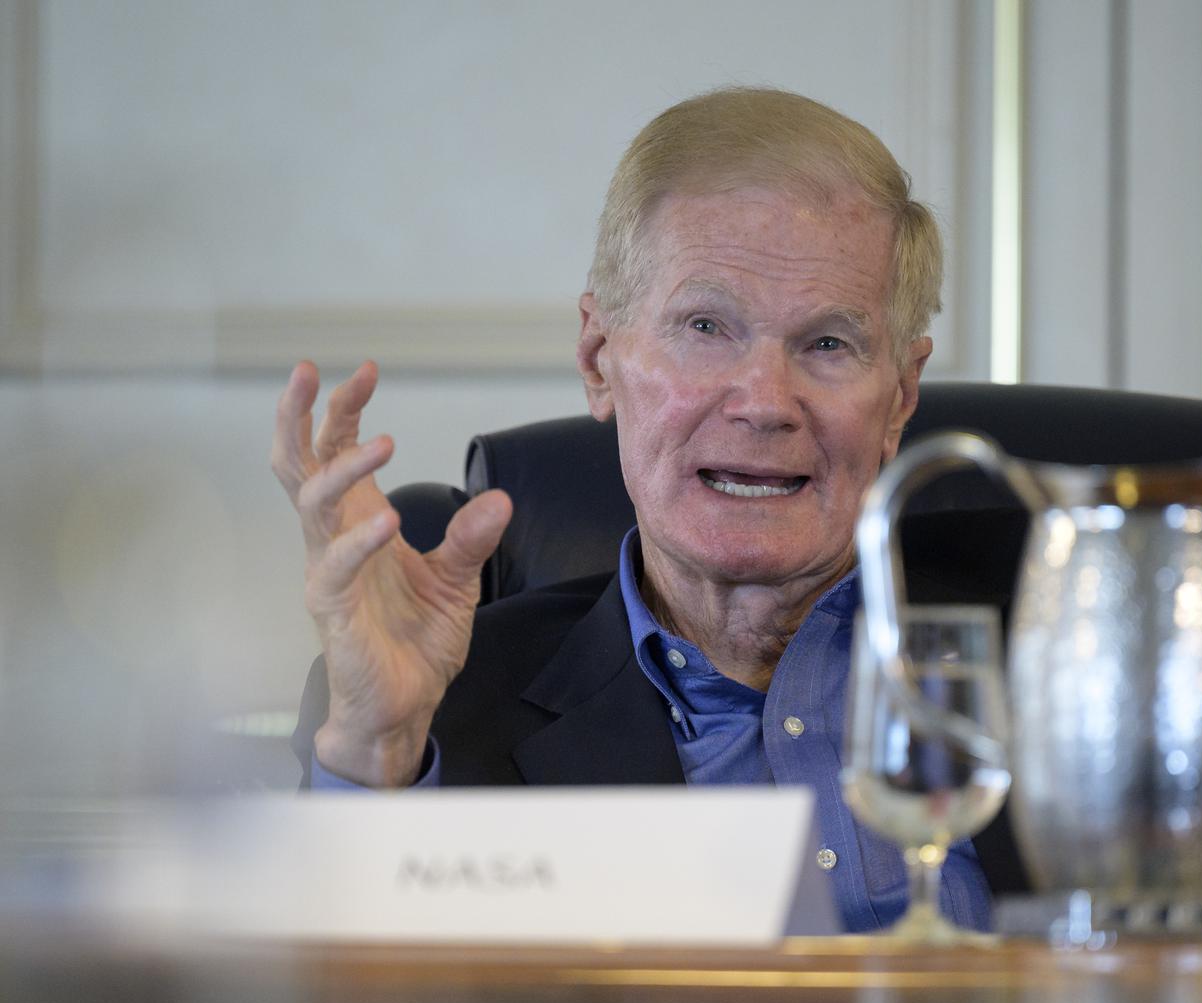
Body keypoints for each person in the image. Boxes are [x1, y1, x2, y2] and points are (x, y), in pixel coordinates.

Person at [273, 87, 994, 932]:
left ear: (900, 396)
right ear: (597, 358)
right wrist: (376, 754)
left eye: (828, 343)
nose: (765, 401)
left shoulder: (1058, 659)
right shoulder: (446, 705)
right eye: (704, 325)